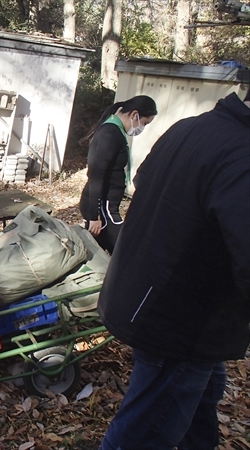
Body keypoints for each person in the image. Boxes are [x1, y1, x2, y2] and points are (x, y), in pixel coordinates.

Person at [97, 89, 250, 450]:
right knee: (147, 429)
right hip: (181, 318)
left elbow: (145, 182)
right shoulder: (242, 156)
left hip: (149, 293)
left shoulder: (192, 128)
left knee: (200, 401)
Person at [79, 95, 157, 254]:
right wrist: (94, 216)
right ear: (134, 115)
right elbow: (95, 175)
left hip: (107, 205)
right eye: (144, 123)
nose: (143, 127)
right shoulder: (110, 134)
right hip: (103, 208)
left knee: (97, 249)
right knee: (123, 250)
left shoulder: (115, 130)